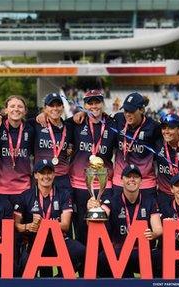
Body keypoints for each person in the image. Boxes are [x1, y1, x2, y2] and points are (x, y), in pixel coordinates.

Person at [14, 159, 86, 277]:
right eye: (42, 173)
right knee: (23, 264)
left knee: (81, 251)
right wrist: (29, 226)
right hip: (35, 242)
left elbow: (65, 225)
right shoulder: (26, 196)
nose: (46, 176)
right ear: (36, 175)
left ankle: (60, 280)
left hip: (58, 240)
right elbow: (17, 226)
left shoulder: (64, 194)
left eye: (49, 172)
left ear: (54, 174)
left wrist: (43, 224)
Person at [88, 164, 162, 277]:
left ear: (141, 181)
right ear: (122, 180)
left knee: (161, 256)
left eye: (135, 177)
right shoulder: (112, 201)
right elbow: (92, 222)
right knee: (103, 257)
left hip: (142, 252)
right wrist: (94, 210)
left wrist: (153, 234)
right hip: (120, 251)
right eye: (128, 176)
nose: (132, 179)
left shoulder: (150, 201)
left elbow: (158, 229)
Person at [66, 89, 118, 245]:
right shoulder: (75, 123)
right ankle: (84, 268)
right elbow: (52, 122)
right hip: (79, 185)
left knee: (105, 228)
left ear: (102, 103)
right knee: (82, 230)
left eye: (97, 102)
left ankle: (103, 266)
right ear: (84, 105)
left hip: (104, 184)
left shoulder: (112, 124)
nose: (94, 106)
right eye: (90, 103)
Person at [0, 95, 36, 206]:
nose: (16, 109)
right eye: (12, 106)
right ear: (6, 110)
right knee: (5, 223)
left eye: (20, 106)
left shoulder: (31, 129)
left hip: (24, 189)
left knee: (22, 223)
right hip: (0, 189)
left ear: (25, 111)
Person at [33, 93, 74, 192]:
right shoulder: (36, 124)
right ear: (45, 108)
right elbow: (15, 119)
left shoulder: (69, 127)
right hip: (42, 178)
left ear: (63, 107)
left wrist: (83, 113)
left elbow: (85, 116)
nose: (55, 108)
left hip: (62, 178)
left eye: (58, 105)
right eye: (51, 105)